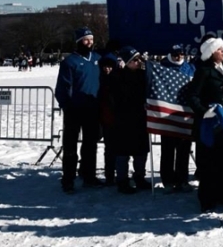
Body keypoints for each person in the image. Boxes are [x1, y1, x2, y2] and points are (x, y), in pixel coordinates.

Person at [188, 37, 223, 212]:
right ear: (211, 53)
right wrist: (204, 111)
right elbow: (192, 96)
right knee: (208, 161)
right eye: (220, 49)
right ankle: (207, 198)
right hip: (209, 123)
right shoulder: (203, 71)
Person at [54, 27, 103, 193]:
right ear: (78, 41)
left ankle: (88, 175)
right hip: (74, 110)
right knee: (70, 146)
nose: (89, 42)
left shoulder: (97, 58)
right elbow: (62, 88)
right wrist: (66, 106)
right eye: (86, 39)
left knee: (90, 145)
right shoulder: (70, 62)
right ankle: (68, 179)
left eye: (91, 39)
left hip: (93, 109)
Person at [111, 46, 152, 194]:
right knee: (123, 152)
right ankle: (122, 180)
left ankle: (139, 176)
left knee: (141, 151)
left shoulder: (142, 75)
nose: (138, 62)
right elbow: (115, 98)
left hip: (140, 118)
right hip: (124, 119)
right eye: (135, 60)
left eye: (139, 59)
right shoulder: (117, 76)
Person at [158, 44, 194, 193]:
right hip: (167, 113)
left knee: (184, 149)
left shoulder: (190, 68)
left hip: (184, 113)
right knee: (167, 149)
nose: (177, 57)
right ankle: (167, 180)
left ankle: (182, 179)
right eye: (174, 54)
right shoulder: (162, 66)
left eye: (179, 54)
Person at [98, 53, 118, 186]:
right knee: (109, 149)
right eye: (105, 67)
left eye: (110, 67)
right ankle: (109, 175)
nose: (107, 69)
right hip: (105, 119)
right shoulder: (99, 80)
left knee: (119, 149)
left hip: (118, 119)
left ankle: (120, 174)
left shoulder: (118, 79)